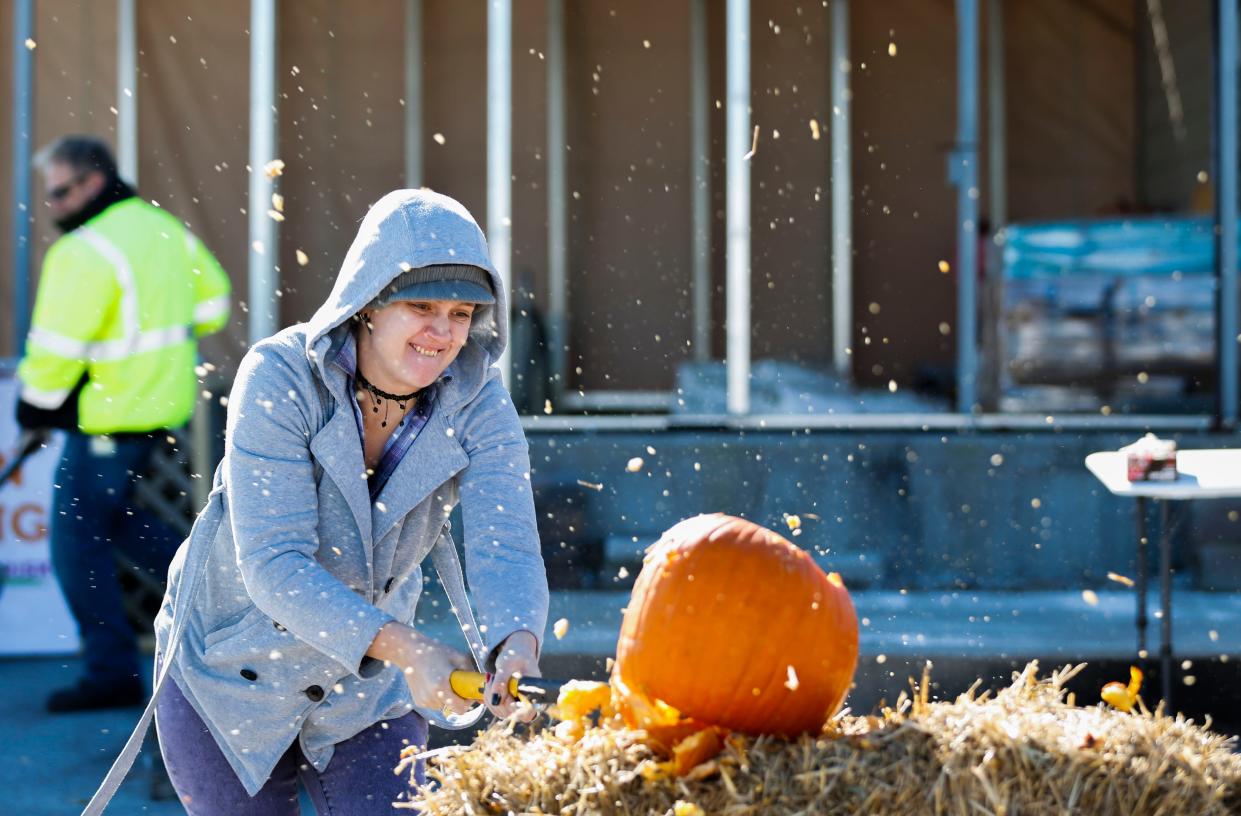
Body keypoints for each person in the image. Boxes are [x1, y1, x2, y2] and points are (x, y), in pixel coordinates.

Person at [145, 189, 548, 813]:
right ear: (368, 304)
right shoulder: (277, 377)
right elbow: (275, 565)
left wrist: (516, 643)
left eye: (463, 313)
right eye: (422, 306)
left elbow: (507, 543)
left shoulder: (480, 403)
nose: (444, 334)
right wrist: (411, 649)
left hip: (365, 692)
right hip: (228, 674)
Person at [15, 135, 231, 713]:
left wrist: (35, 407)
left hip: (109, 419)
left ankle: (113, 671)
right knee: (122, 528)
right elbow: (215, 303)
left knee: (75, 545)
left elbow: (59, 348)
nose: (53, 206)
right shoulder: (161, 229)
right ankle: (227, 600)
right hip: (159, 412)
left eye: (60, 192)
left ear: (90, 182)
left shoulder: (82, 250)